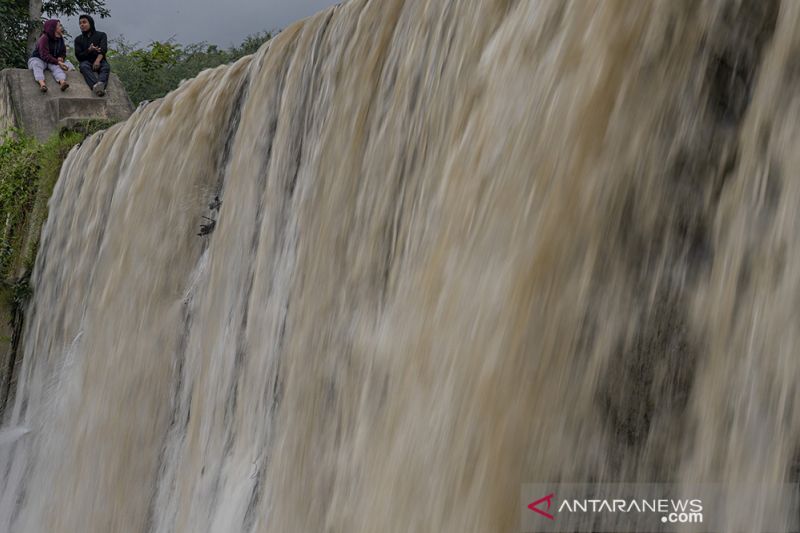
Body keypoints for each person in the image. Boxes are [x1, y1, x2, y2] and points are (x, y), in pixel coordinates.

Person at [27, 19, 71, 93]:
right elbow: (44, 55)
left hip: (51, 60)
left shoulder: (60, 39)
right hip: (39, 59)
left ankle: (62, 82)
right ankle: (42, 84)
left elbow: (63, 52)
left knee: (57, 67)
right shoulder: (44, 38)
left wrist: (61, 58)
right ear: (53, 28)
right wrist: (58, 62)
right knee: (37, 65)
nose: (61, 27)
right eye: (59, 26)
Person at [74, 14, 111, 97]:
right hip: (86, 62)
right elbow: (79, 56)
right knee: (83, 66)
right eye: (80, 23)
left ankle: (101, 83)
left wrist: (98, 60)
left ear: (90, 23)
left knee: (106, 67)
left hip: (100, 60)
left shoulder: (101, 35)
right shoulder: (78, 39)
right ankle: (97, 87)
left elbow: (103, 49)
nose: (82, 25)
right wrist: (89, 50)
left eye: (84, 22)